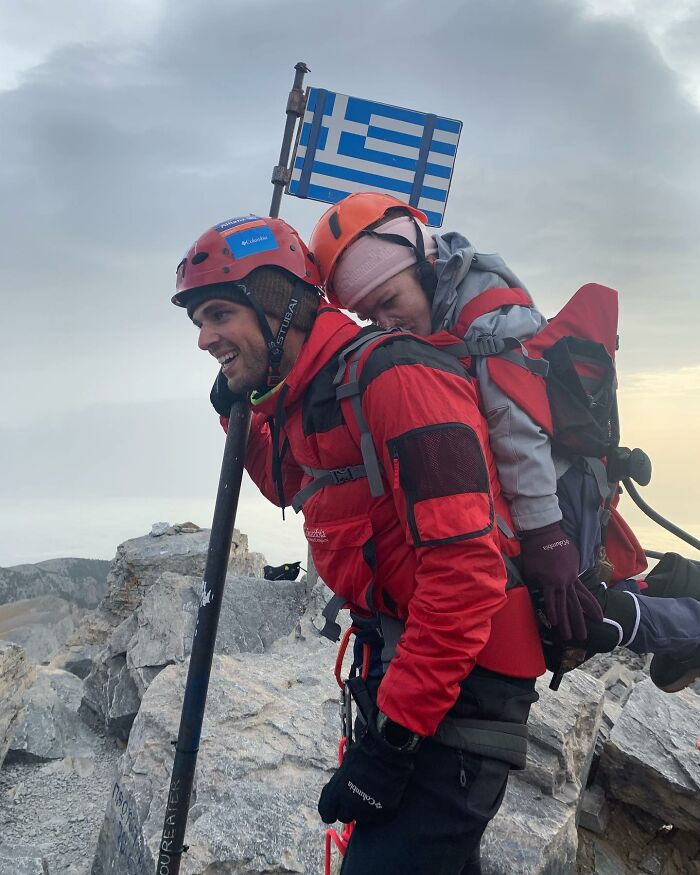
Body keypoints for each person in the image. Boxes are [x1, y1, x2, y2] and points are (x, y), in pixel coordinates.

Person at [173, 213, 547, 875]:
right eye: (200, 322)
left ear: (279, 304)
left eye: (220, 314)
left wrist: (393, 741)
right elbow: (298, 486)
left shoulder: (398, 379)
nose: (205, 338)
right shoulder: (312, 396)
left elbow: (467, 573)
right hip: (405, 667)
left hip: (464, 688)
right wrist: (242, 418)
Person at [308, 193, 700, 693]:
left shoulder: (488, 319)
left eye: (390, 301)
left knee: (579, 621)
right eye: (370, 315)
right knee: (571, 604)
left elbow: (518, 432)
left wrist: (546, 537)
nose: (386, 324)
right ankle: (676, 586)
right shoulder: (450, 309)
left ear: (425, 267)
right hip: (537, 489)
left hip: (551, 492)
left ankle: (690, 625)